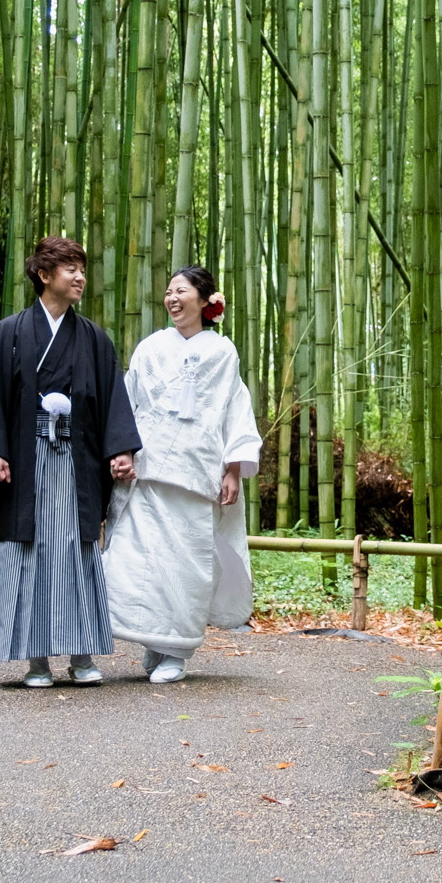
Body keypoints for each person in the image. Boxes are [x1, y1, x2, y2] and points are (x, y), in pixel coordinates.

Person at [0, 235, 140, 687]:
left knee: (78, 552)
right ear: (43, 275)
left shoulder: (94, 338)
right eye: (70, 269)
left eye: (82, 268)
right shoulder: (10, 332)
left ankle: (81, 657)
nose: (80, 276)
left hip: (76, 463)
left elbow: (112, 400)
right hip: (25, 459)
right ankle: (36, 659)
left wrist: (119, 449)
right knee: (30, 551)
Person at [104, 265, 262, 683]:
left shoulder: (223, 352)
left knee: (186, 562)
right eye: (169, 291)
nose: (172, 298)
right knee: (141, 561)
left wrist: (233, 470)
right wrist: (121, 450)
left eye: (181, 291)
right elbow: (128, 401)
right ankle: (155, 639)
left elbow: (235, 410)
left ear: (206, 300)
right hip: (149, 469)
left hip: (197, 474)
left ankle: (177, 650)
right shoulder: (151, 347)